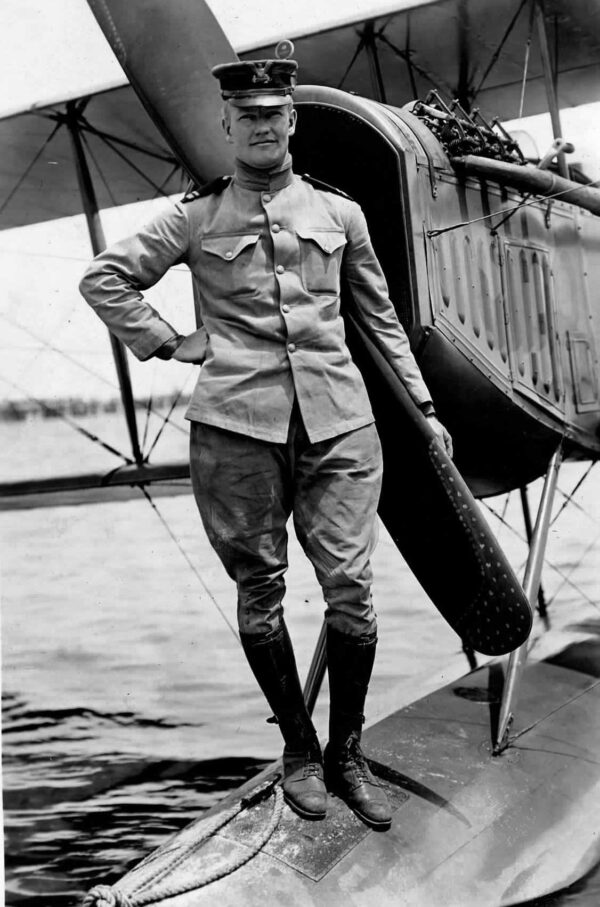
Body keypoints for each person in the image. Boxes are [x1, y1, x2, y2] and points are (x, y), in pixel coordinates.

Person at [79, 54, 452, 830]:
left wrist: (422, 406)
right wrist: (168, 342)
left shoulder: (340, 214)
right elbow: (106, 278)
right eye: (244, 115)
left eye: (272, 112)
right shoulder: (194, 216)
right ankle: (298, 748)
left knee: (352, 590)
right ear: (227, 124)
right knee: (261, 593)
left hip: (340, 424)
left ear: (291, 120)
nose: (259, 125)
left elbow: (380, 320)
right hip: (235, 430)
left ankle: (347, 752)